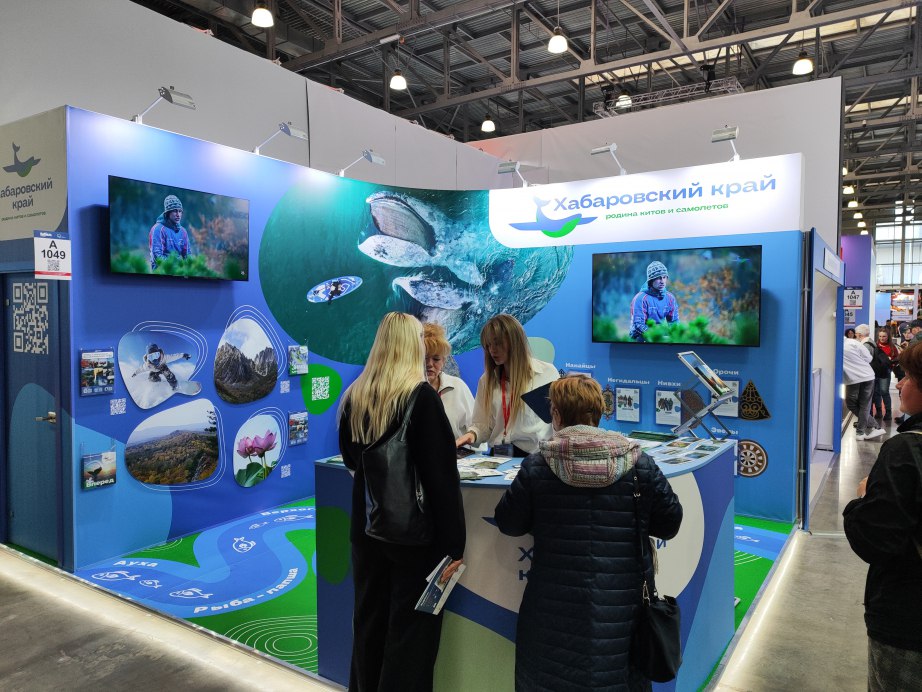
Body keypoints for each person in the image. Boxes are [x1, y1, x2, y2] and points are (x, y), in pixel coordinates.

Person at [494, 375, 683, 691]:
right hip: (622, 612)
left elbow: (509, 523)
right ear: (599, 412)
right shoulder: (639, 464)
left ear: (556, 415)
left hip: (551, 610)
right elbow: (670, 523)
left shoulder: (538, 466)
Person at [337, 312, 465, 692]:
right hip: (414, 538)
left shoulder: (356, 396)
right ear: (412, 346)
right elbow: (442, 480)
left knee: (369, 628)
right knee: (409, 641)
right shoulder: (420, 397)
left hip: (367, 532)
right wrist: (454, 546)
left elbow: (350, 460)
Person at [843, 341, 922, 691]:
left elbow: (875, 539)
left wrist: (862, 499)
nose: (900, 384)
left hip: (907, 620)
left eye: (908, 377)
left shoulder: (906, 450)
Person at [456, 314, 558, 456]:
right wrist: (472, 435)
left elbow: (558, 422)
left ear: (514, 341)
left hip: (533, 457)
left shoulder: (546, 374)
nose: (492, 350)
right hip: (498, 457)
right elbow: (483, 425)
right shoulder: (486, 380)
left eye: (497, 343)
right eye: (488, 345)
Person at [423, 322, 475, 440]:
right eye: (425, 358)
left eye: (436, 359)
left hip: (458, 451)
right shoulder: (407, 390)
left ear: (444, 361)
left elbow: (476, 431)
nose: (429, 364)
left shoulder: (458, 386)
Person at [844, 331, 884, 441]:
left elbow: (869, 358)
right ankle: (874, 426)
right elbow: (868, 358)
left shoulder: (848, 344)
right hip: (865, 376)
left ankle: (861, 432)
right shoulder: (853, 343)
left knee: (856, 404)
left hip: (857, 378)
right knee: (862, 405)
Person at [629, 261, 679, 342]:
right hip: (640, 338)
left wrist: (675, 337)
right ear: (651, 280)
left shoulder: (670, 298)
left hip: (660, 336)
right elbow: (638, 325)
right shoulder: (640, 298)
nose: (662, 281)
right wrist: (657, 337)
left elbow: (674, 323)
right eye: (658, 278)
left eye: (664, 277)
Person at [149, 194, 192, 270]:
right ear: (168, 213)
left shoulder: (183, 231)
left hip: (178, 273)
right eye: (175, 211)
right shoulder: (158, 229)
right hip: (161, 272)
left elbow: (188, 255)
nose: (178, 214)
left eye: (180, 211)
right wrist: (176, 265)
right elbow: (157, 256)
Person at [874, 328, 897, 421]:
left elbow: (896, 359)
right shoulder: (875, 346)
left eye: (884, 336)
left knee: (884, 391)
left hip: (885, 373)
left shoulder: (892, 347)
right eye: (880, 336)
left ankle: (888, 412)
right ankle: (878, 411)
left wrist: (891, 364)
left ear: (888, 337)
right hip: (875, 373)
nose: (882, 338)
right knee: (876, 392)